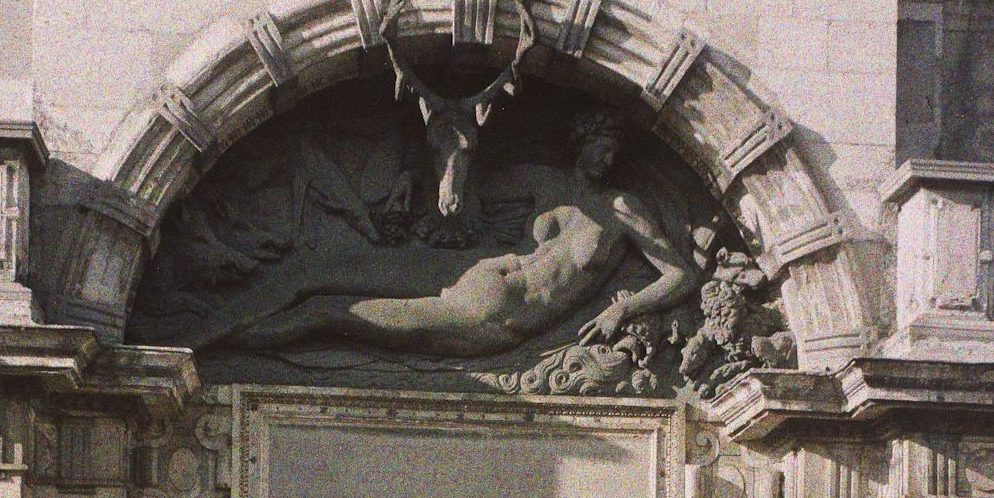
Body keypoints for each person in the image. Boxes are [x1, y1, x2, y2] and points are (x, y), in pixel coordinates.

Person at [200, 110, 699, 361]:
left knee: (327, 310)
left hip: (485, 316)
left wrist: (623, 308)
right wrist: (414, 180)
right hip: (467, 275)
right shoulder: (542, 182)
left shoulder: (621, 209)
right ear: (580, 145)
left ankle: (219, 347)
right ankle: (210, 326)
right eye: (599, 146)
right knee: (314, 272)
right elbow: (459, 189)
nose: (606, 158)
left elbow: (681, 274)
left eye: (613, 150)